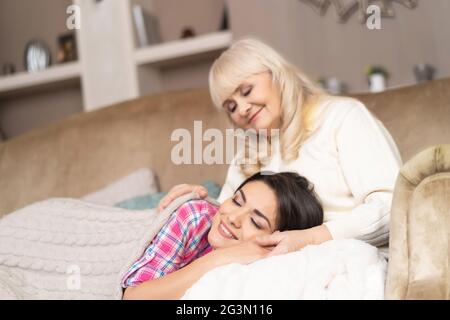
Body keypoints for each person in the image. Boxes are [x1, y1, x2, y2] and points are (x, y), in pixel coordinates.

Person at [157, 38, 402, 256]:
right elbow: (230, 224)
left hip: (347, 258)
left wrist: (310, 239)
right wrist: (198, 203)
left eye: (246, 91)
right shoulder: (248, 153)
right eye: (231, 106)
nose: (242, 109)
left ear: (276, 74)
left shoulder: (343, 117)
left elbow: (394, 207)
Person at [122, 172, 323, 300]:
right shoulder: (194, 216)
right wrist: (217, 259)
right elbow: (133, 298)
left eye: (256, 221)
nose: (233, 217)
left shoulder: (268, 268)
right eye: (236, 200)